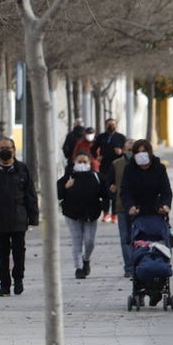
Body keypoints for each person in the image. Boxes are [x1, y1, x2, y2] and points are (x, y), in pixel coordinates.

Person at [0, 137, 39, 297]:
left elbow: (30, 195)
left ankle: (18, 279)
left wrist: (33, 217)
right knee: (3, 252)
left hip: (18, 218)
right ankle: (4, 285)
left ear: (14, 149)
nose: (5, 151)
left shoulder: (22, 169)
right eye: (1, 148)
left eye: (7, 148)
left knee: (19, 252)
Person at [57, 151, 105, 279]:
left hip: (91, 214)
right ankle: (78, 267)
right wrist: (65, 187)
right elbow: (58, 194)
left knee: (90, 241)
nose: (82, 164)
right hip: (72, 214)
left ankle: (86, 259)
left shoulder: (96, 177)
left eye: (85, 162)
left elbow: (104, 193)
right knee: (76, 240)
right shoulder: (68, 177)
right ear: (74, 163)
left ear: (90, 163)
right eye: (79, 162)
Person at [120, 139, 173, 223]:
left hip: (156, 212)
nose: (141, 154)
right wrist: (130, 206)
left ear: (149, 152)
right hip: (136, 213)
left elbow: (166, 191)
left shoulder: (159, 168)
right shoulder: (129, 169)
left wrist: (165, 205)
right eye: (138, 152)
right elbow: (125, 191)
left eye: (144, 151)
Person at [108, 139, 135, 277]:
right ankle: (129, 267)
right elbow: (110, 184)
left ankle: (139, 265)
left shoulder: (143, 164)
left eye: (133, 149)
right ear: (123, 150)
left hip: (138, 207)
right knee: (125, 238)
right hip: (122, 207)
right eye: (128, 149)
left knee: (138, 237)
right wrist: (112, 190)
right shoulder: (116, 164)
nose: (130, 152)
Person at [92, 118, 126, 222]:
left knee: (116, 189)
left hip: (117, 166)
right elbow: (93, 148)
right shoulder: (101, 137)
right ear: (106, 125)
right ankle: (106, 213)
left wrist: (120, 152)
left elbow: (126, 150)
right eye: (109, 124)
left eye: (113, 124)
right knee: (105, 190)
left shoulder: (121, 137)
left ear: (116, 125)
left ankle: (114, 214)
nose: (111, 126)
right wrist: (96, 156)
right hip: (104, 166)